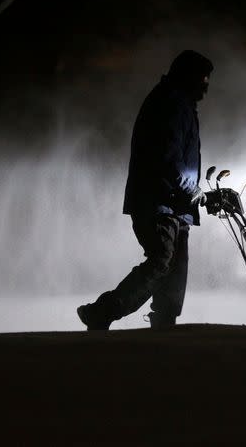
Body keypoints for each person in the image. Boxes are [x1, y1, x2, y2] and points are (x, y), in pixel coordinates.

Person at [77, 50, 213, 330]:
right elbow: (167, 157)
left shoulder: (176, 101)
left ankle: (164, 322)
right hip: (159, 202)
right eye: (203, 78)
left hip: (173, 205)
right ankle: (101, 313)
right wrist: (192, 190)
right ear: (188, 76)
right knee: (161, 261)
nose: (206, 85)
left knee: (174, 265)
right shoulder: (172, 104)